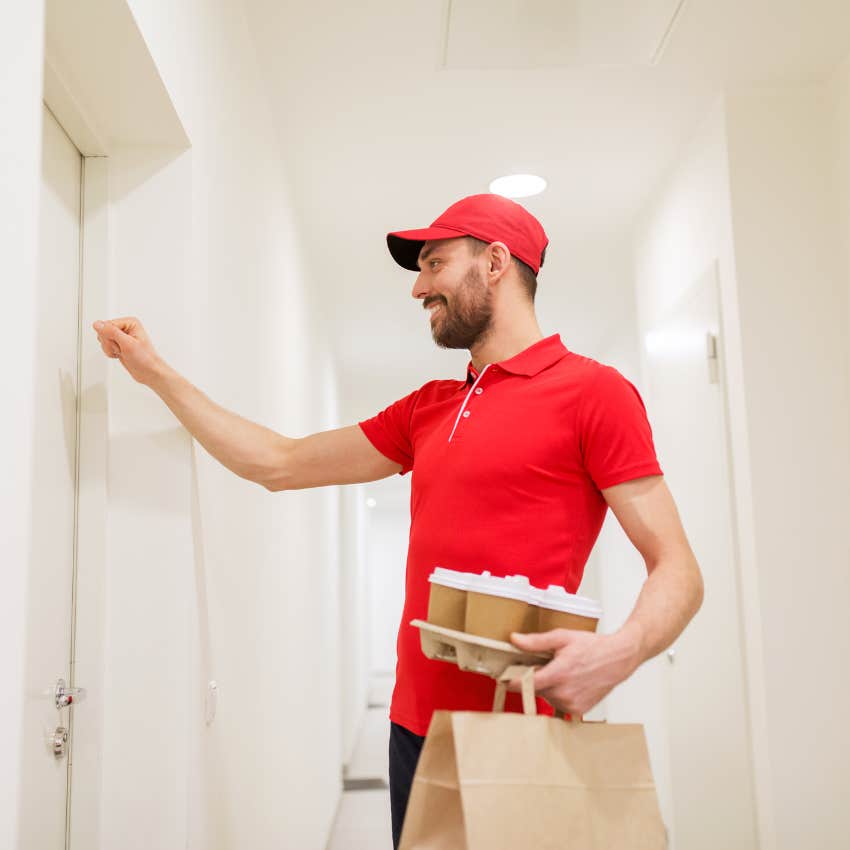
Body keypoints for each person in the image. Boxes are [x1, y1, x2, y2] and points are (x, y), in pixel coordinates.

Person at [92, 193, 704, 850]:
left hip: (522, 729)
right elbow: (278, 461)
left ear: (495, 262)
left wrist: (621, 651)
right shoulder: (428, 409)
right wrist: (153, 372)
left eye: (435, 263)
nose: (419, 287)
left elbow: (678, 566)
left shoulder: (593, 392)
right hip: (414, 732)